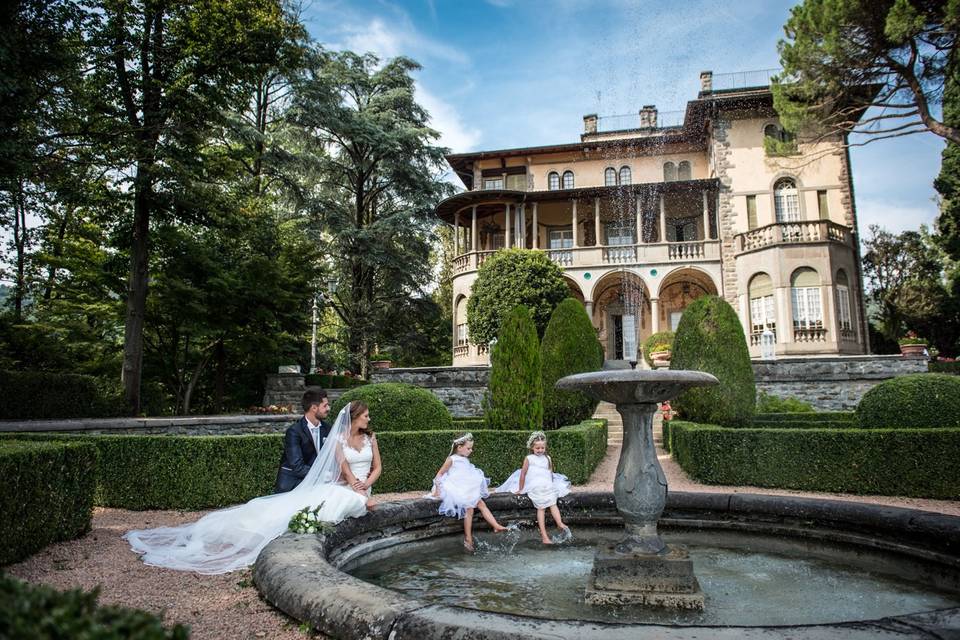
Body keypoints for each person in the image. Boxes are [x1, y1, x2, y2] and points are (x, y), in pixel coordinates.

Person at [124, 402, 376, 574]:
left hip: (364, 485)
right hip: (351, 485)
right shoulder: (338, 439)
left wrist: (366, 486)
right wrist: (355, 486)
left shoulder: (370, 437)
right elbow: (344, 468)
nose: (369, 418)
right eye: (366, 415)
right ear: (355, 417)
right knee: (342, 502)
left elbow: (378, 467)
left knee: (349, 501)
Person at [429, 433, 508, 552]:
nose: (471, 450)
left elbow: (467, 473)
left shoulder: (465, 459)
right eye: (468, 448)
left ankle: (496, 525)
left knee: (481, 504)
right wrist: (438, 490)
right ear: (459, 447)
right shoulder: (451, 459)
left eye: (471, 448)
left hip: (466, 487)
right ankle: (468, 537)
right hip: (455, 487)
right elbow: (439, 475)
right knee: (469, 509)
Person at [497, 431, 571, 544]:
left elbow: (550, 472)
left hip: (546, 484)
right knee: (541, 507)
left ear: (545, 447)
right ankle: (544, 535)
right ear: (532, 447)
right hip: (533, 484)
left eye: (542, 448)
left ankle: (559, 523)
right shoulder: (529, 458)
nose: (540, 450)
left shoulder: (548, 458)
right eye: (538, 448)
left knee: (553, 502)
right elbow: (523, 474)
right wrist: (521, 488)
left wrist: (551, 484)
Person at [275, 387, 330, 493]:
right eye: (325, 406)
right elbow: (297, 466)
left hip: (318, 484)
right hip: (293, 484)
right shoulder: (294, 431)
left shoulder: (327, 428)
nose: (328, 408)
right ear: (314, 408)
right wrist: (322, 476)